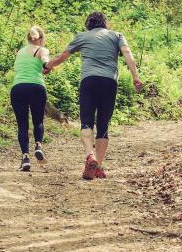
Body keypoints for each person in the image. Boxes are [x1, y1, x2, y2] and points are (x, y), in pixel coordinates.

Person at [43, 12, 143, 180]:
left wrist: (47, 66)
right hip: (109, 82)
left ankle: (90, 155)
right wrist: (135, 76)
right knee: (103, 125)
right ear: (105, 24)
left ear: (88, 25)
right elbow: (127, 53)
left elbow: (62, 57)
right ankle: (99, 167)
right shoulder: (117, 36)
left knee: (86, 121)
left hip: (89, 81)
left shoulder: (81, 37)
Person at [10, 26, 51, 171]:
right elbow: (45, 64)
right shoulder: (42, 50)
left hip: (18, 88)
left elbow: (19, 69)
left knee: (22, 125)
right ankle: (39, 145)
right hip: (36, 88)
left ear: (28, 38)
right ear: (40, 39)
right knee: (38, 120)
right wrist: (48, 65)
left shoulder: (20, 52)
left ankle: (25, 158)